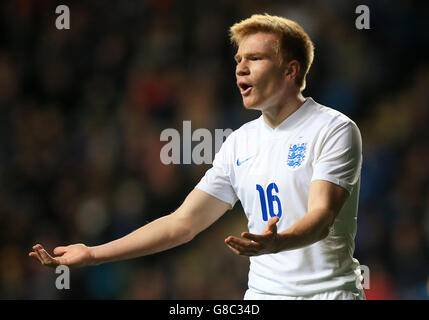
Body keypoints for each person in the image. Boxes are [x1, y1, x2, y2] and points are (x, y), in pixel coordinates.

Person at [29, 14, 365, 300]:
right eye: (238, 60)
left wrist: (278, 242)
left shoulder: (333, 129)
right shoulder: (239, 143)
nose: (241, 69)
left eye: (255, 59)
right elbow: (182, 223)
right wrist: (93, 254)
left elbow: (322, 217)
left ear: (291, 70)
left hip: (329, 294)